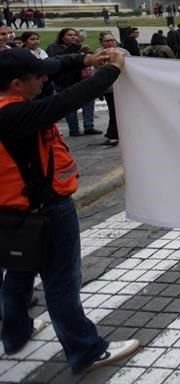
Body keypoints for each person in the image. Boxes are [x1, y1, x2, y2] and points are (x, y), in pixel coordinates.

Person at [0, 47, 141, 372]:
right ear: (17, 84)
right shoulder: (13, 116)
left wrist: (85, 60)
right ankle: (85, 350)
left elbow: (55, 64)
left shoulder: (8, 102)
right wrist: (111, 72)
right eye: (37, 76)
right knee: (61, 282)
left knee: (18, 273)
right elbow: (65, 102)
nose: (45, 78)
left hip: (13, 210)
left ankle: (15, 335)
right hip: (46, 211)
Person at [46, 28, 100, 137]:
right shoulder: (54, 48)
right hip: (64, 82)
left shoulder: (77, 48)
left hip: (80, 80)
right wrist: (75, 46)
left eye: (75, 35)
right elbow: (61, 58)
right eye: (69, 35)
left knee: (88, 103)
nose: (73, 37)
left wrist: (86, 53)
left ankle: (89, 126)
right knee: (70, 106)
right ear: (62, 37)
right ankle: (74, 129)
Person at [96, 32, 124, 146]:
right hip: (109, 88)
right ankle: (113, 134)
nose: (110, 43)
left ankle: (115, 133)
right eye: (106, 41)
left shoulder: (123, 52)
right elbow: (96, 72)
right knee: (113, 111)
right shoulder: (98, 54)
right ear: (101, 42)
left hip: (122, 87)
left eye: (112, 40)